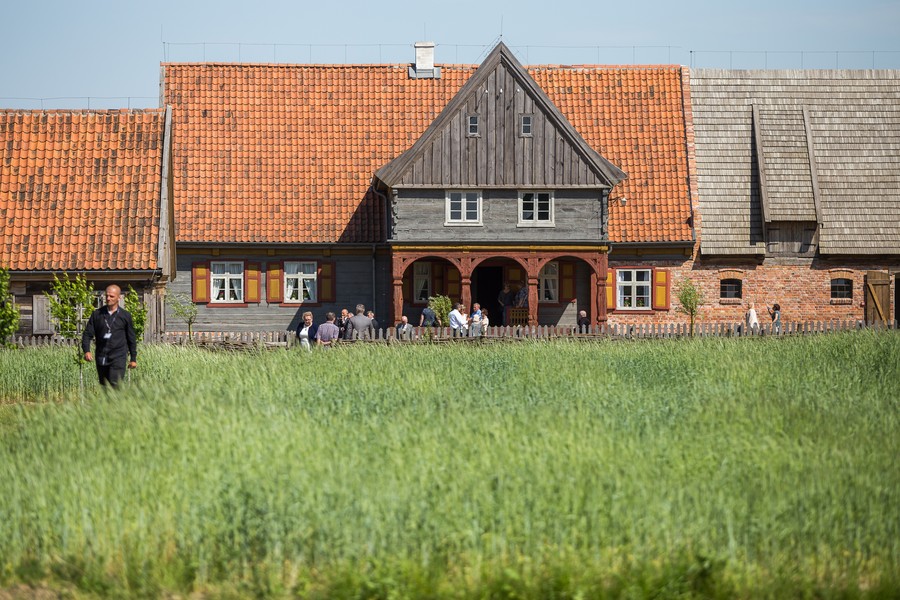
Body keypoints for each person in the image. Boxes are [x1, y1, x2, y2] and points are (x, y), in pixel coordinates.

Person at [81, 284, 137, 388]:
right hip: (101, 356)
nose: (108, 298)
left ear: (118, 297)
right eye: (106, 296)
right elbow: (87, 334)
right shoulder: (97, 314)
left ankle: (116, 403)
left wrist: (133, 359)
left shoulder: (125, 316)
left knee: (115, 385)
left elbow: (131, 338)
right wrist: (87, 350)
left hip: (118, 357)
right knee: (104, 387)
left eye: (112, 296)